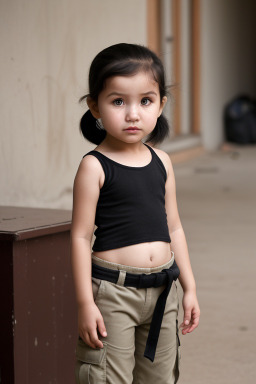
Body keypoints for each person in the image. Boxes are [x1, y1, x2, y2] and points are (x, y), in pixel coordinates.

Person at [71, 43, 200, 384]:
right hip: (113, 292)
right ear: (95, 107)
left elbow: (174, 226)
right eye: (118, 101)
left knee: (160, 378)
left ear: (161, 105)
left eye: (145, 101)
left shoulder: (162, 161)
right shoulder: (94, 166)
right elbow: (81, 237)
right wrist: (86, 302)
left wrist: (189, 286)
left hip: (162, 290)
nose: (133, 114)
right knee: (106, 377)